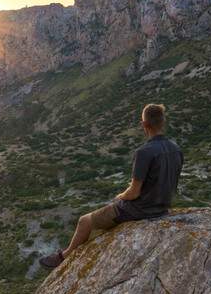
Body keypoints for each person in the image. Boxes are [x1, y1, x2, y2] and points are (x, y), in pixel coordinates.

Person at [40, 103, 182, 270]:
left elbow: (134, 192)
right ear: (162, 122)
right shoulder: (176, 149)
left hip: (141, 210)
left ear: (144, 124)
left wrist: (120, 196)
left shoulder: (144, 152)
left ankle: (64, 256)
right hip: (162, 208)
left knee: (84, 221)